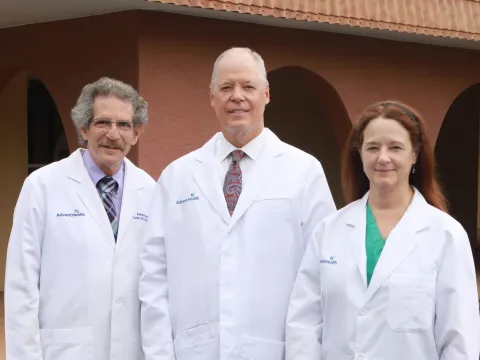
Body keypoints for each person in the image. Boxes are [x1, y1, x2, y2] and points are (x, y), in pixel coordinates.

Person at [139, 47, 337, 360]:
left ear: (267, 94)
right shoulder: (178, 176)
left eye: (248, 86)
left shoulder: (304, 171)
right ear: (211, 97)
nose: (237, 96)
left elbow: (325, 273)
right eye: (226, 87)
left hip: (278, 349)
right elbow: (154, 278)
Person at [286, 101, 480, 360]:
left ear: (414, 155)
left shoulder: (446, 235)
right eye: (373, 147)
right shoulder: (329, 231)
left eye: (396, 147)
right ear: (361, 154)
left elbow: (459, 340)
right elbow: (304, 324)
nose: (383, 157)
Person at [5, 77, 155, 360]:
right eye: (102, 123)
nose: (113, 134)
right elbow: (21, 285)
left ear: (136, 134)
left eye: (124, 125)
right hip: (64, 351)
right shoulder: (42, 186)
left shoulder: (151, 190)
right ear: (84, 128)